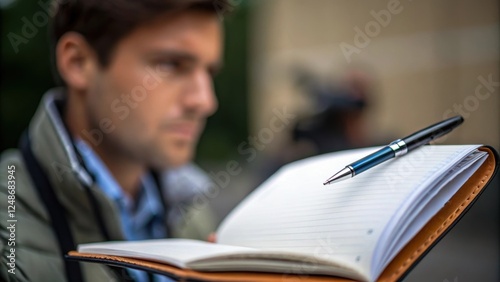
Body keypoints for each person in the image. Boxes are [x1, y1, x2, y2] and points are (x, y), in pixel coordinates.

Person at [0, 0, 230, 281]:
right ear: (78, 63)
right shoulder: (7, 227)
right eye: (172, 65)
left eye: (209, 72)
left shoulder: (195, 217)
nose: (205, 101)